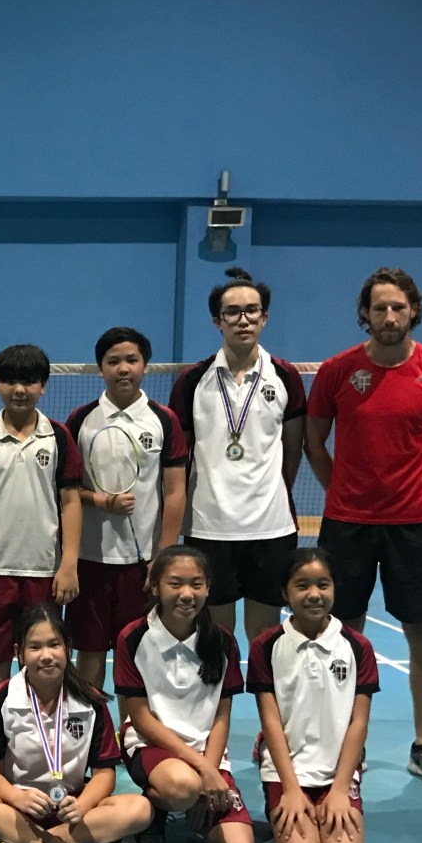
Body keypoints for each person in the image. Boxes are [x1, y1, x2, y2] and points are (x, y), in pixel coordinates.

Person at [306, 267, 422, 789]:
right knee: (342, 634)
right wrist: (340, 492)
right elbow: (314, 442)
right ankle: (347, 741)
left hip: (415, 527)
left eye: (398, 307)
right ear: (365, 314)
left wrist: (419, 496)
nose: (390, 316)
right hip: (347, 525)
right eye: (380, 308)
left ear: (413, 310)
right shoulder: (337, 371)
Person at [0, 603, 149, 843]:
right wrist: (17, 798)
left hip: (72, 814)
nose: (46, 655)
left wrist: (83, 804)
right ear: (19, 653)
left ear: (68, 649)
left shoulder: (91, 701)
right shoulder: (0, 700)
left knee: (140, 808)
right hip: (18, 812)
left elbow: (104, 773)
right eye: (35, 647)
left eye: (54, 645)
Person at [169, 268, 306, 646]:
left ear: (264, 317)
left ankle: (264, 691)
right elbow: (180, 456)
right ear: (217, 321)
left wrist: (272, 490)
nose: (243, 319)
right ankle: (220, 691)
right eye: (232, 312)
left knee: (265, 635)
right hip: (209, 527)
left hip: (271, 528)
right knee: (216, 636)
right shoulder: (193, 381)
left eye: (252, 310)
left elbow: (293, 449)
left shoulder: (285, 376)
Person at [113, 547, 253, 843]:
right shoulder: (133, 638)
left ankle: (194, 810)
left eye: (196, 584)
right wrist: (204, 774)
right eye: (175, 584)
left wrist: (211, 770)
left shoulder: (223, 641)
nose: (187, 594)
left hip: (208, 754)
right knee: (183, 786)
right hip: (151, 745)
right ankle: (158, 805)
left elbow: (221, 716)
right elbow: (142, 719)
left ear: (208, 587)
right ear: (155, 586)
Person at [65, 328, 187, 689]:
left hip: (143, 563)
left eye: (132, 360)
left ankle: (134, 724)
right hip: (90, 559)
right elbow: (67, 491)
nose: (123, 368)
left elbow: (175, 492)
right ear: (100, 368)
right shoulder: (82, 421)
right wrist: (101, 501)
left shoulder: (163, 420)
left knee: (137, 653)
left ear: (144, 366)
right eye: (113, 361)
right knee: (89, 653)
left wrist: (163, 557)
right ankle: (91, 723)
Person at [0, 344, 83, 687]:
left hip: (43, 570)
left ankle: (41, 722)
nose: (19, 390)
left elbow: (70, 502)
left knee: (44, 661)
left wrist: (69, 563)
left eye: (29, 381)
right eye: (10, 381)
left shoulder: (58, 437)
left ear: (43, 387)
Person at [248, 549, 377, 843]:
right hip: (286, 771)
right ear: (285, 593)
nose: (314, 594)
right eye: (302, 585)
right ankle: (285, 801)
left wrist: (339, 790)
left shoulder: (357, 646)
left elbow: (358, 722)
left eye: (323, 584)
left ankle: (324, 806)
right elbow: (270, 721)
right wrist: (291, 789)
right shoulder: (266, 646)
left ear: (334, 588)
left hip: (337, 772)